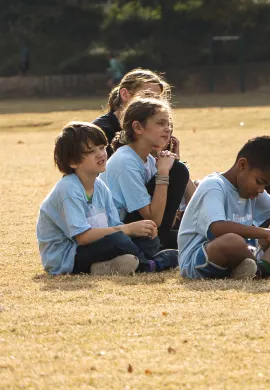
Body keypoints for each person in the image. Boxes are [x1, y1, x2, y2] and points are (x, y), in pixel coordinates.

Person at [177, 136, 270, 281]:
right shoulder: (214, 186)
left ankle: (260, 270)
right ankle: (267, 268)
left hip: (246, 252)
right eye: (259, 182)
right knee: (232, 241)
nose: (260, 190)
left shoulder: (251, 190)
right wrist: (266, 233)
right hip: (200, 259)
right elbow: (217, 228)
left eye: (265, 186)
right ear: (242, 165)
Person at [37, 122, 146, 276]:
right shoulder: (68, 188)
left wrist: (139, 231)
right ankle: (150, 264)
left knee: (147, 240)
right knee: (118, 241)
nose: (101, 154)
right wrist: (128, 230)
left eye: (102, 147)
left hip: (93, 248)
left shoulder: (100, 187)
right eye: (91, 151)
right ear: (72, 162)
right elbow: (82, 237)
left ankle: (100, 267)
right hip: (68, 258)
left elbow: (114, 226)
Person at [101, 96, 186, 268]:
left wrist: (168, 160)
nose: (168, 129)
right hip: (116, 233)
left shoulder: (147, 159)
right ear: (138, 127)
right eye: (161, 123)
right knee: (177, 171)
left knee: (189, 239)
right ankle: (152, 253)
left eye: (168, 124)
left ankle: (158, 249)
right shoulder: (126, 161)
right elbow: (153, 217)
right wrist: (164, 171)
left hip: (143, 229)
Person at [90, 69, 169, 153]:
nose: (154, 103)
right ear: (124, 94)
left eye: (158, 98)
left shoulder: (156, 128)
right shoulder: (101, 131)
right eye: (147, 95)